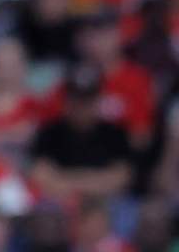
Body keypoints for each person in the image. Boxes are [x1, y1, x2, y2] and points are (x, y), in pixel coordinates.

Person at [28, 65, 134, 207]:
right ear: (66, 100)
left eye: (87, 99)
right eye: (76, 98)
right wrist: (96, 180)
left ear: (98, 99)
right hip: (61, 204)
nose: (81, 106)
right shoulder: (50, 132)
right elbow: (40, 177)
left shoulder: (115, 133)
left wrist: (66, 180)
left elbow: (122, 177)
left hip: (106, 205)